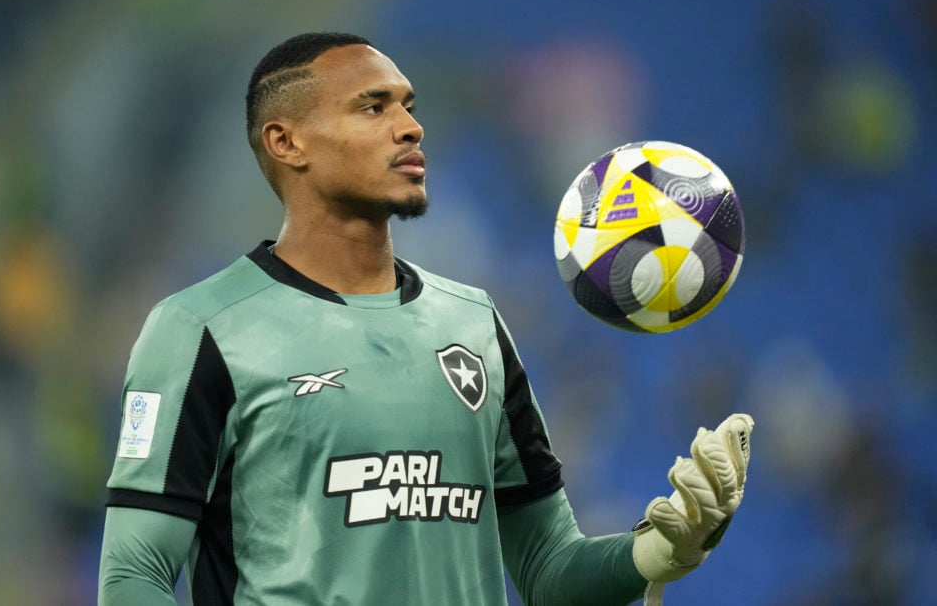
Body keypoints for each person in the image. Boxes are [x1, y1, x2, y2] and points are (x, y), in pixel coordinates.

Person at [97, 32, 753, 606]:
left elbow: (550, 572)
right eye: (371, 108)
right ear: (287, 142)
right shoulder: (200, 328)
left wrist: (659, 549)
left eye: (408, 107)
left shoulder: (475, 324)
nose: (408, 127)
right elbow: (133, 571)